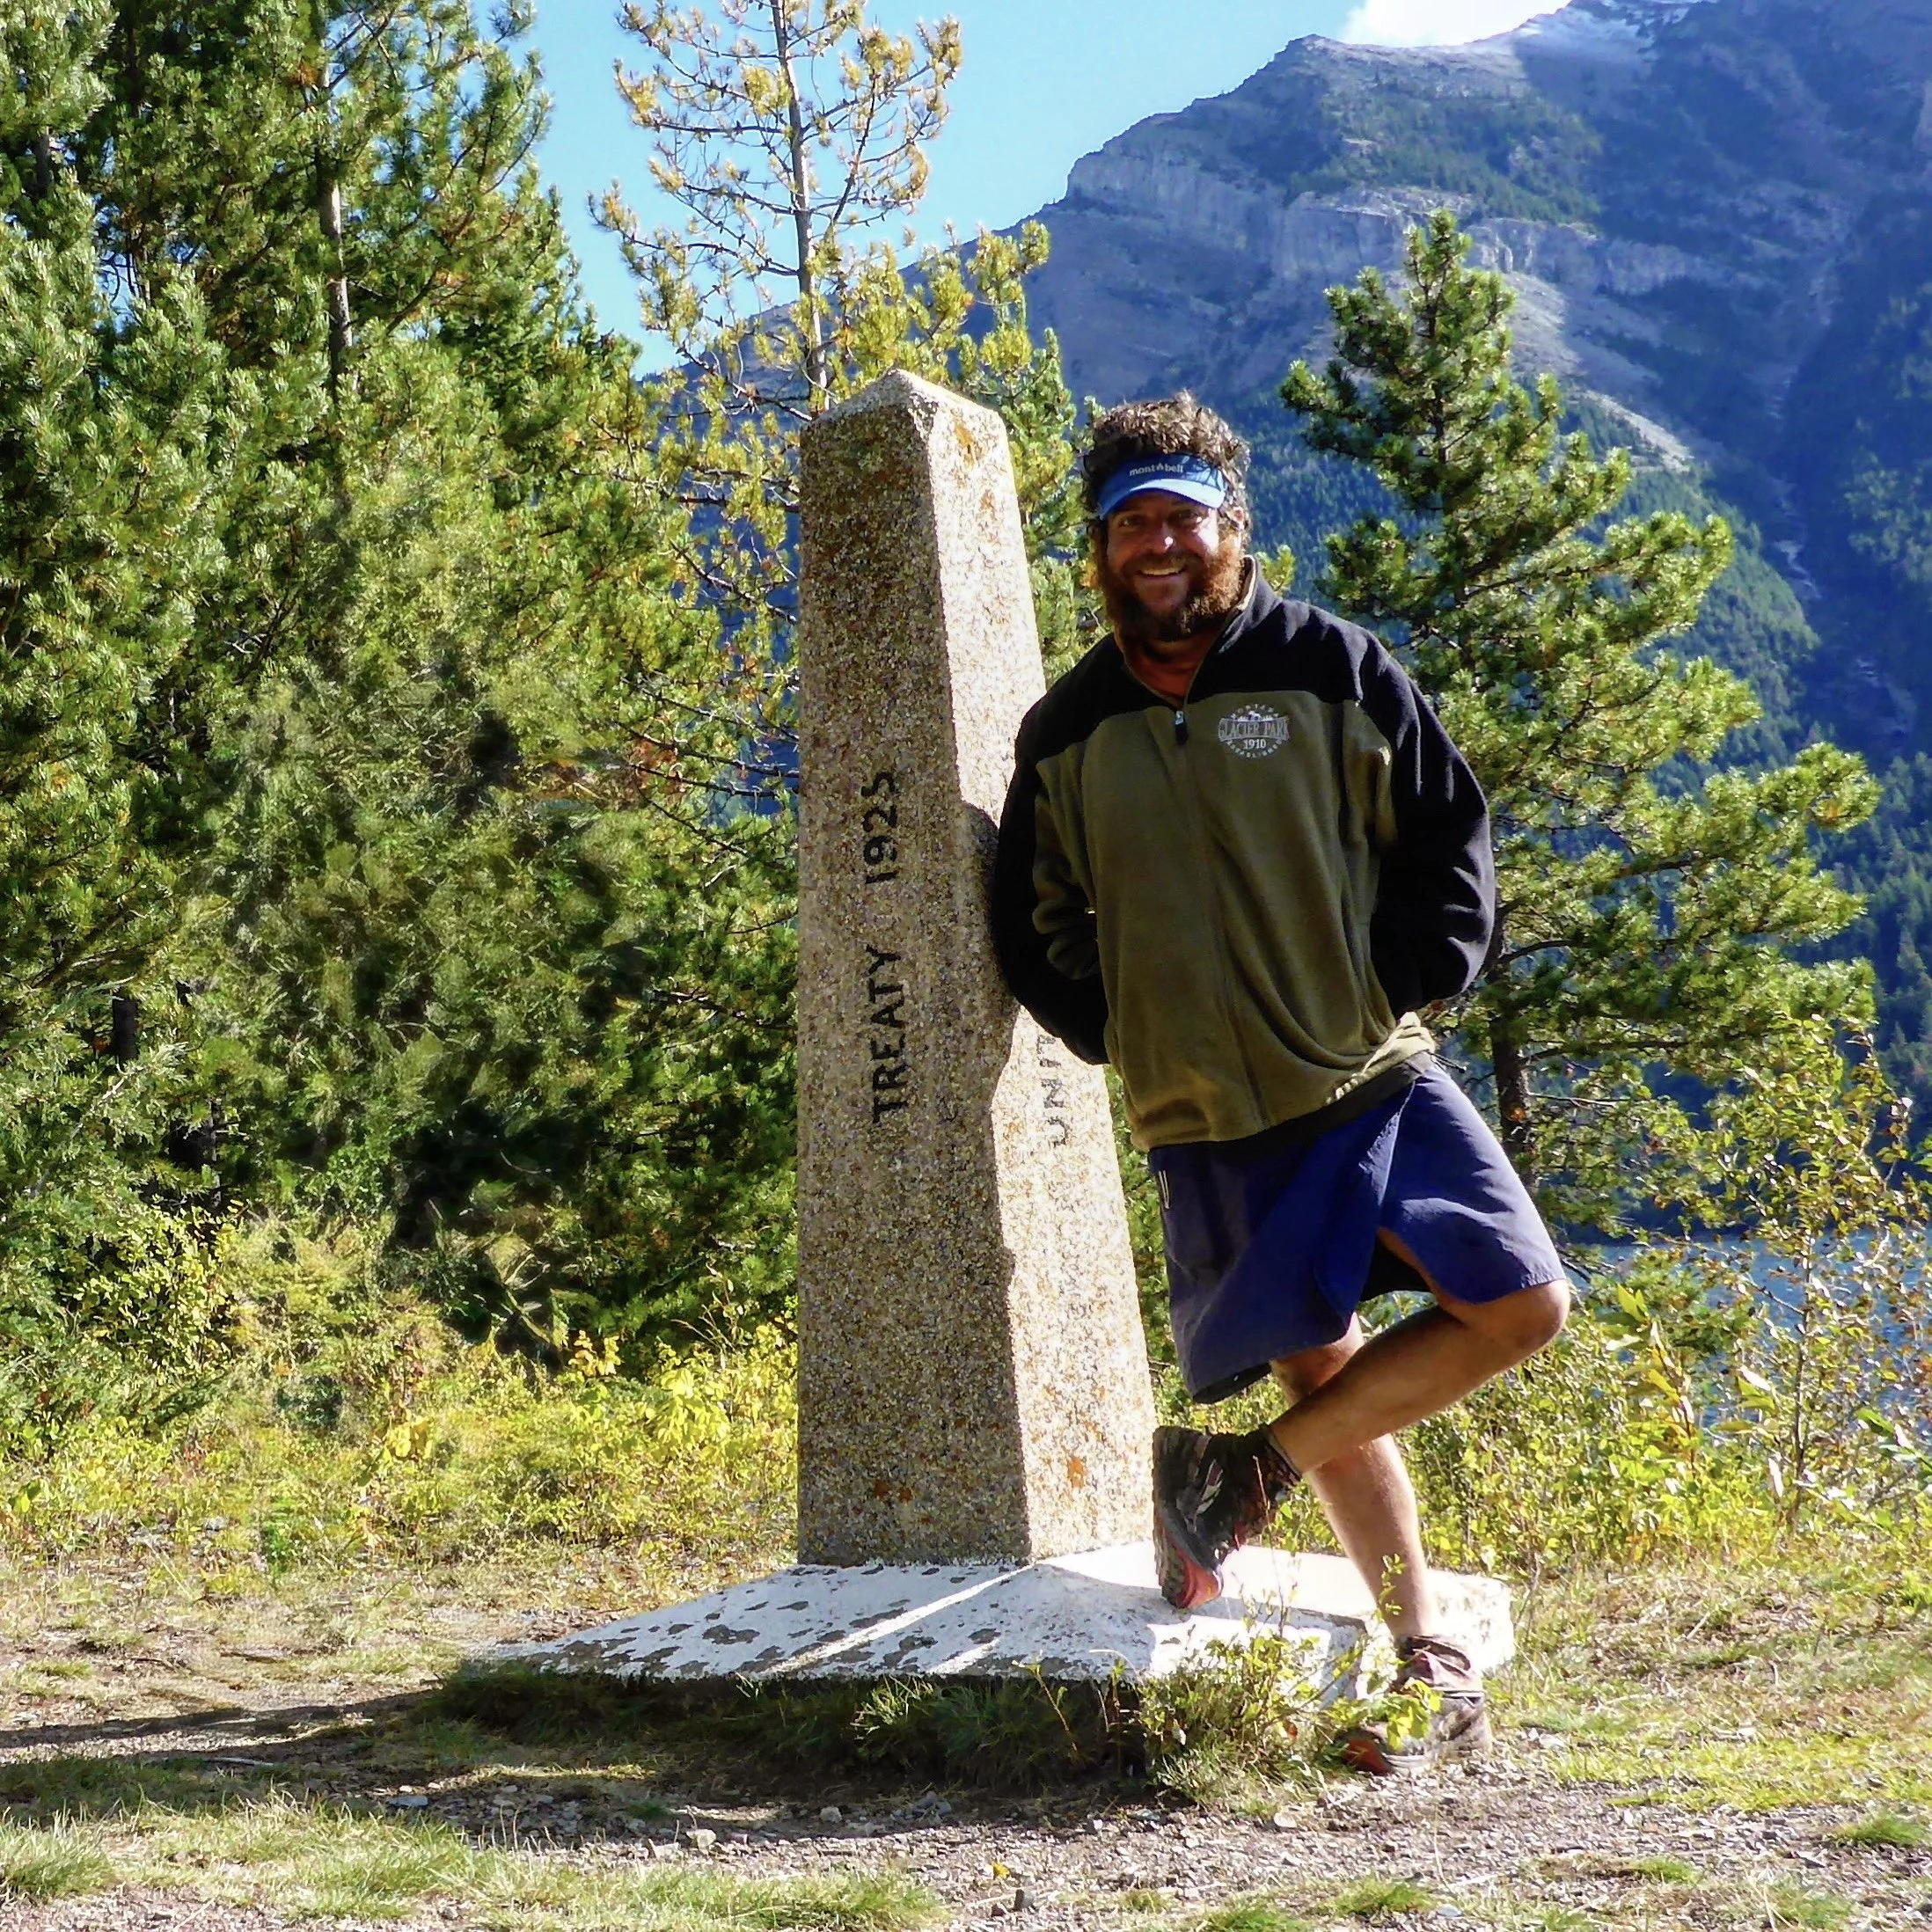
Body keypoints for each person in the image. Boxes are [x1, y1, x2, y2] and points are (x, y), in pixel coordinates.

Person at [991, 394, 1571, 1773]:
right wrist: (1131, 1030)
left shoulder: (1334, 669)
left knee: (1520, 1302)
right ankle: (1426, 1652)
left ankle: (1240, 1473)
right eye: (1131, 522)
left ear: (1231, 526)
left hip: (1367, 1070)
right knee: (1331, 1365)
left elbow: (1445, 836)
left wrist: (1412, 982)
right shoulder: (1066, 732)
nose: (1159, 545)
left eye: (1183, 517)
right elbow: (1032, 922)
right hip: (1208, 1116)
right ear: (1100, 545)